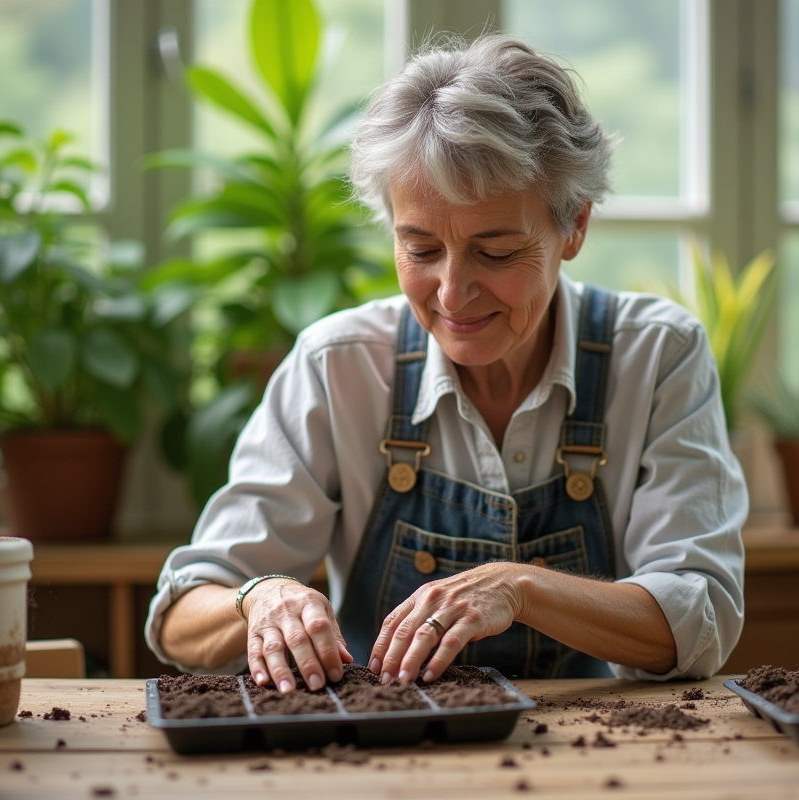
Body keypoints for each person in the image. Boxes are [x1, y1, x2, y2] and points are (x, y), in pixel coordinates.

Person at [145, 34, 747, 694]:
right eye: (422, 249)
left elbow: (702, 620)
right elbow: (181, 617)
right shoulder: (337, 367)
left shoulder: (658, 356)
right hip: (383, 758)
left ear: (574, 225)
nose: (453, 293)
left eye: (494, 253)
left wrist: (520, 588)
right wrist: (259, 600)